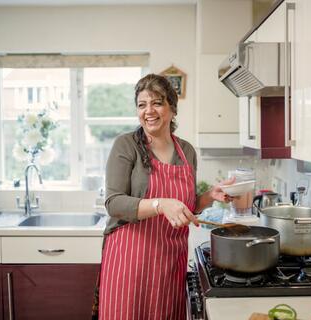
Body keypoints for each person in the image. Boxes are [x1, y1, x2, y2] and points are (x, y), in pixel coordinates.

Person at [97, 74, 234, 319]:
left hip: (170, 261)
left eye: (157, 103)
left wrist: (208, 197)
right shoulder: (127, 145)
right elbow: (114, 203)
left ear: (172, 108)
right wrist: (160, 205)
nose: (149, 111)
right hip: (130, 260)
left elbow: (185, 206)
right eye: (142, 105)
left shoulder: (187, 151)